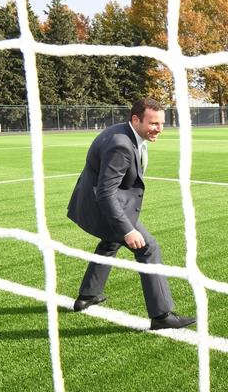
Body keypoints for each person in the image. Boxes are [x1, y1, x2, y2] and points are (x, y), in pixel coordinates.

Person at [67, 98, 195, 330]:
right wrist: (127, 229)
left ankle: (87, 296)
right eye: (153, 123)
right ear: (136, 119)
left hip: (95, 202)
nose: (159, 129)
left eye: (162, 123)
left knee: (110, 243)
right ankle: (161, 315)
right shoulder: (121, 145)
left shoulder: (124, 133)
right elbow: (106, 193)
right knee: (148, 248)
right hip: (102, 206)